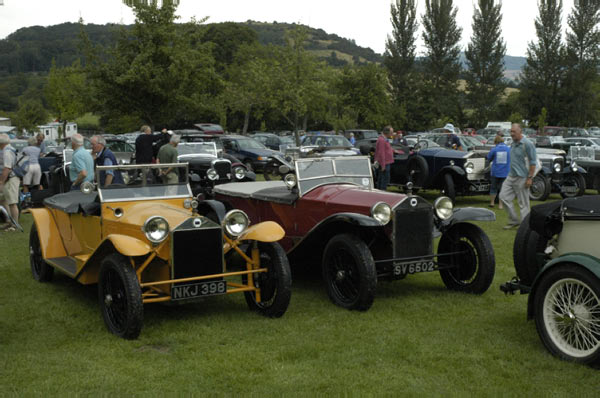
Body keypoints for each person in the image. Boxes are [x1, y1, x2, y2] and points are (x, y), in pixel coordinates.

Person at [499, 123, 537, 229]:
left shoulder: (527, 144)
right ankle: (514, 221)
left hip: (523, 177)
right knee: (503, 196)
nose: (511, 134)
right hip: (511, 176)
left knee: (523, 203)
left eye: (513, 131)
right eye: (511, 131)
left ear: (520, 132)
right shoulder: (513, 143)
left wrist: (530, 178)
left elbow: (533, 162)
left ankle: (525, 226)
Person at [0, 133, 20, 230]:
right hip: (11, 178)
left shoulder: (7, 152)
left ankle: (14, 225)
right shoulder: (9, 149)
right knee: (3, 200)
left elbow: (7, 168)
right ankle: (9, 221)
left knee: (12, 203)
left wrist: (1, 182)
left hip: (11, 179)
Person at [486, 134, 510, 209]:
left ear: (496, 142)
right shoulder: (508, 149)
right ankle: (500, 205)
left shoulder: (494, 149)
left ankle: (492, 203)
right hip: (505, 172)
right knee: (502, 189)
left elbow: (488, 157)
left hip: (495, 172)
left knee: (493, 188)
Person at [374, 126, 394, 190]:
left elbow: (386, 149)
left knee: (383, 179)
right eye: (391, 132)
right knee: (384, 180)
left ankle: (381, 191)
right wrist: (383, 165)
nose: (392, 134)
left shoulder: (384, 139)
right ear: (387, 132)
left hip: (386, 162)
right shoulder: (382, 140)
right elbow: (381, 153)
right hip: (385, 163)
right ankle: (382, 192)